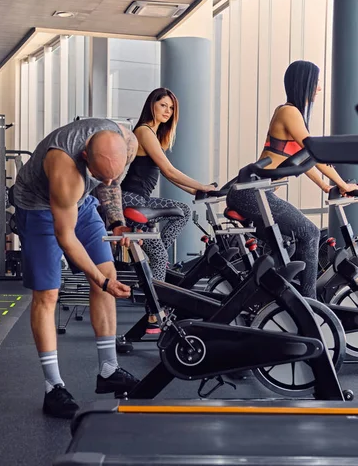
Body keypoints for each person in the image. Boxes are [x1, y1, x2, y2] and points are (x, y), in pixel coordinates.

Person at [14, 118, 141, 419]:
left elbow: (111, 186)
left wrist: (116, 221)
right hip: (40, 207)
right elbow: (66, 238)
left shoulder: (128, 142)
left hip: (81, 204)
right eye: (102, 176)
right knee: (47, 295)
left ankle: (109, 369)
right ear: (86, 156)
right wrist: (100, 281)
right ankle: (53, 387)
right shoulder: (64, 166)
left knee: (107, 273)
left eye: (115, 174)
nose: (108, 182)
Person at [226, 60, 358, 299]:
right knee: (309, 232)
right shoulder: (289, 111)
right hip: (251, 192)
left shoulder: (291, 113)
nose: (319, 89)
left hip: (255, 191)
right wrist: (344, 184)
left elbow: (301, 160)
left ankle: (271, 295)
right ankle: (308, 303)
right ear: (304, 83)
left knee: (290, 243)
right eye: (316, 83)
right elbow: (314, 151)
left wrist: (325, 185)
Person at [121, 87, 216, 333]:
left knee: (163, 249)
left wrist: (195, 191)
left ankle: (155, 309)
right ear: (152, 105)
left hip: (137, 200)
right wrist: (203, 185)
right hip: (130, 199)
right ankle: (154, 310)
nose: (167, 111)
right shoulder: (144, 131)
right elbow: (169, 170)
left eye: (171, 108)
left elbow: (170, 177)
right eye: (163, 105)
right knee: (182, 213)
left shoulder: (152, 133)